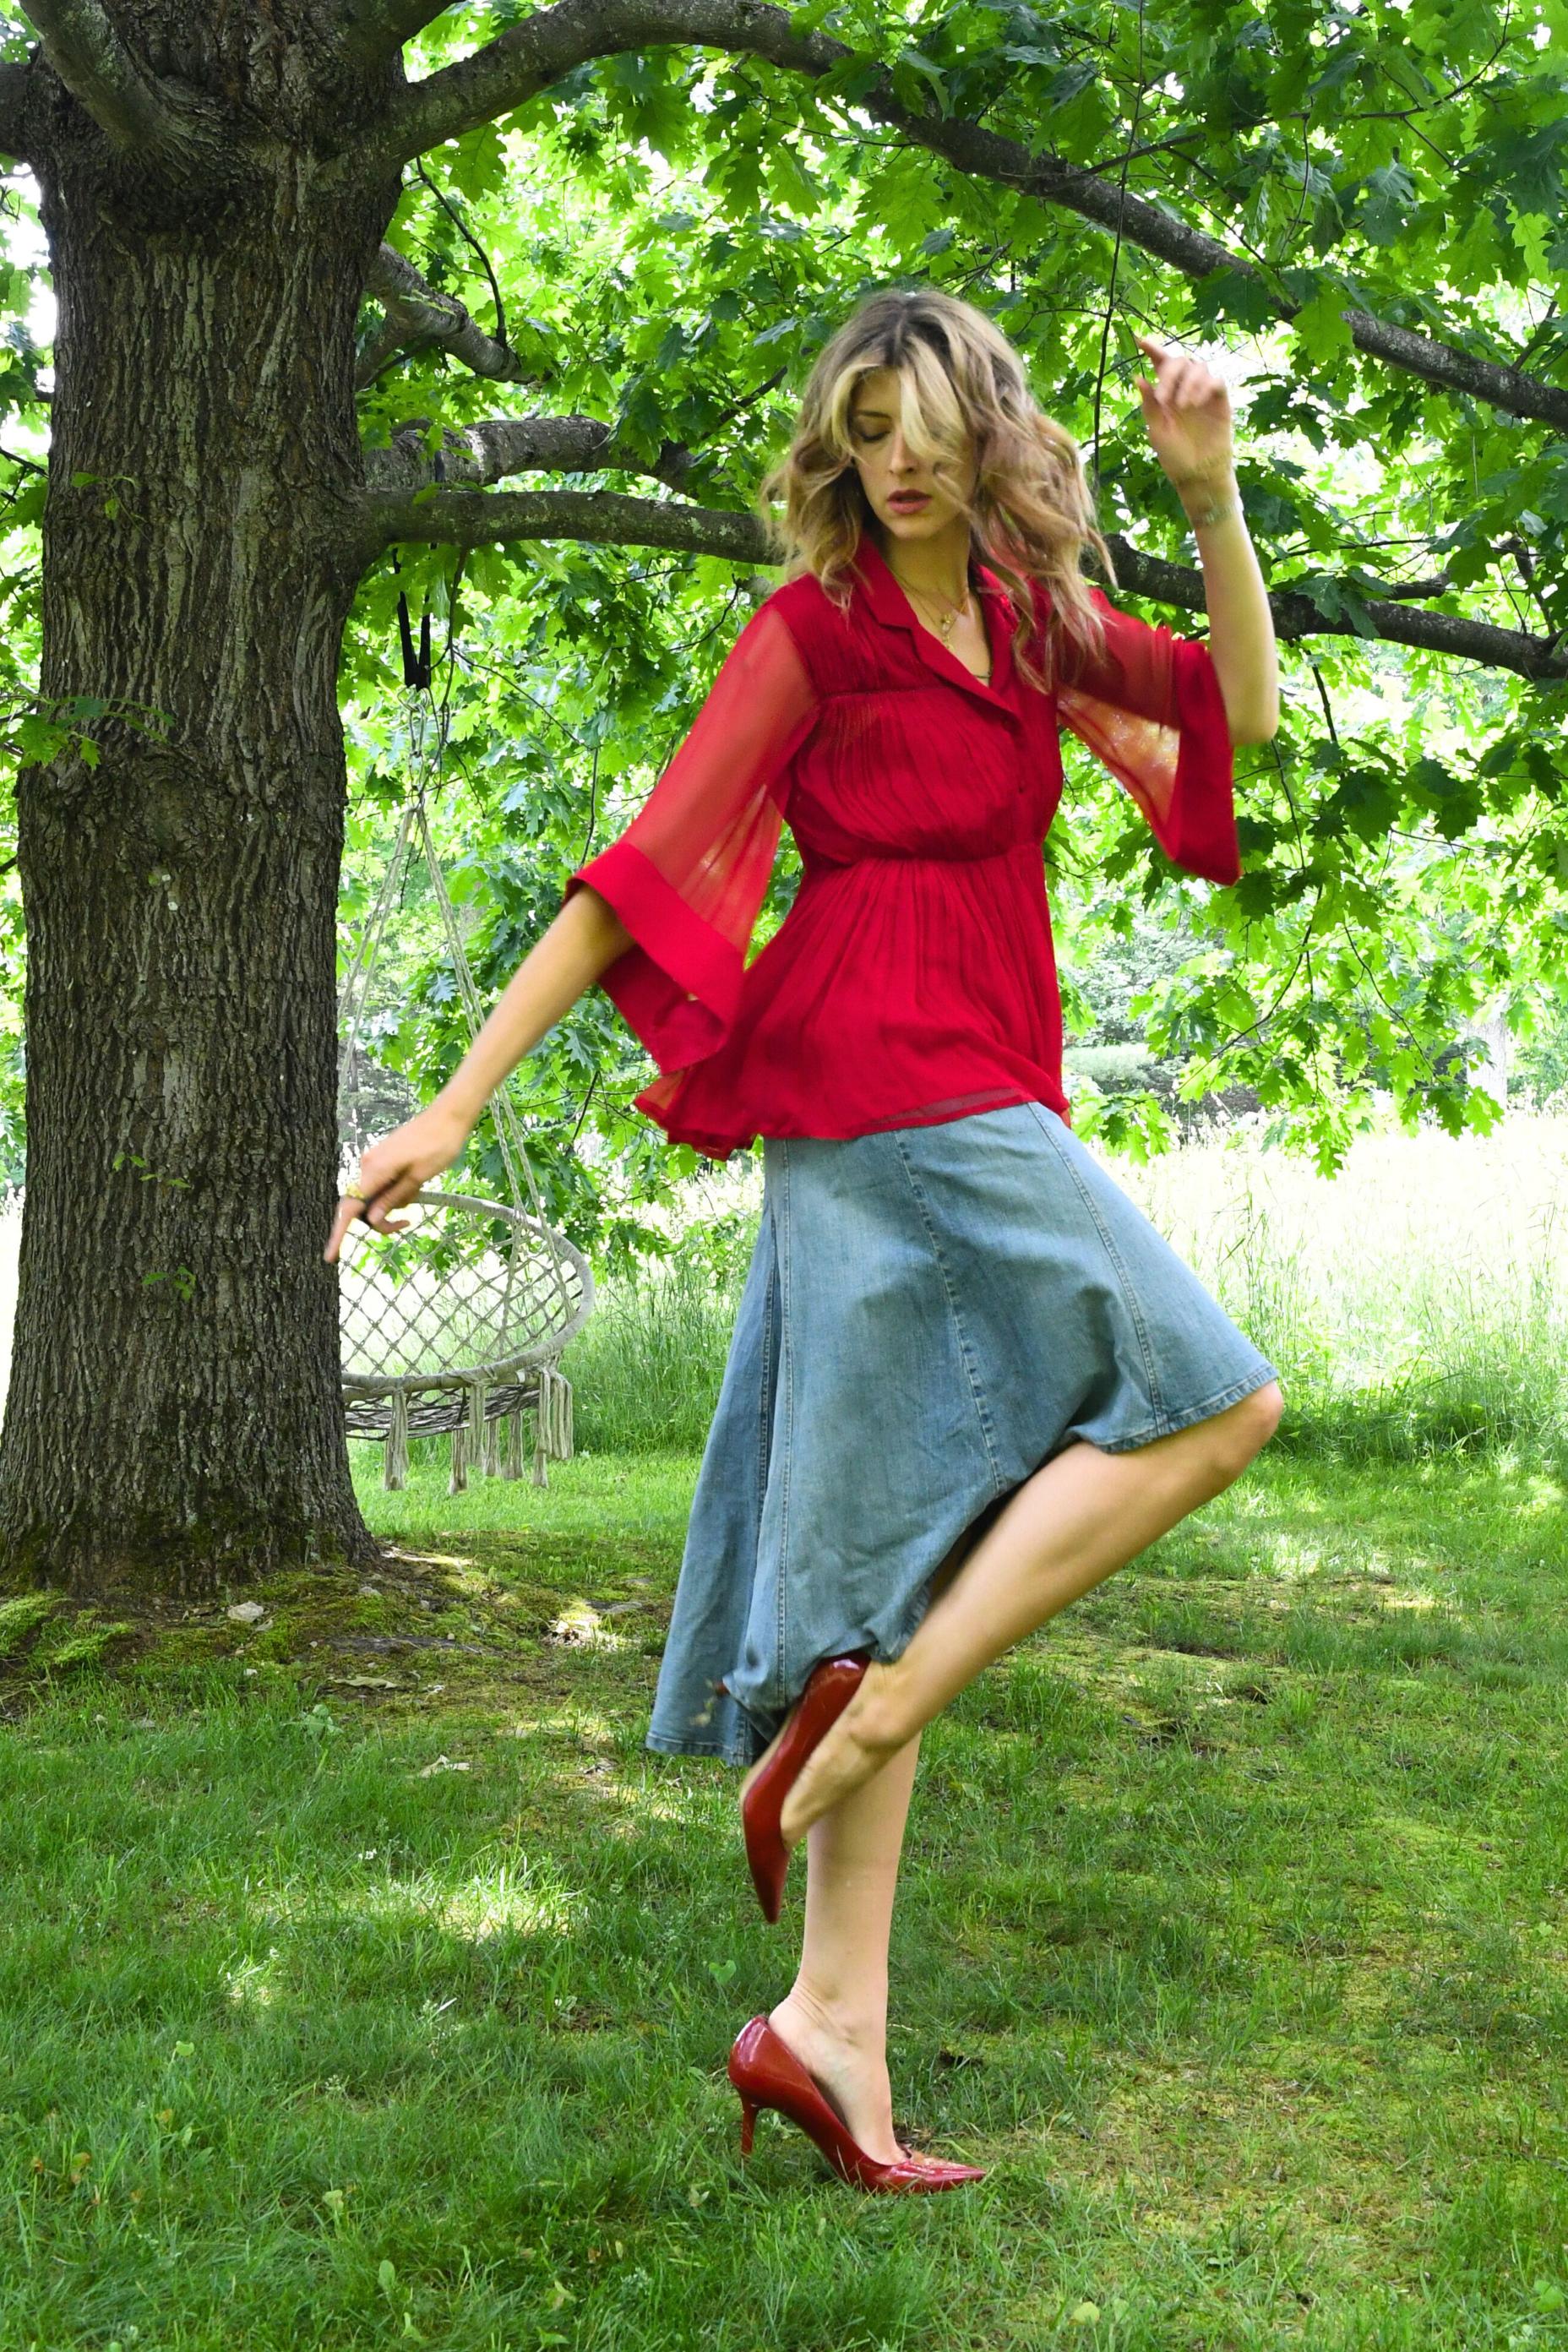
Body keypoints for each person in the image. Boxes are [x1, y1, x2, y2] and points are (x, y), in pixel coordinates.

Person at [324, 286, 1283, 2195]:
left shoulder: (1030, 622)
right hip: (885, 1081)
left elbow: (1235, 715)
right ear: (838, 451)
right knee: (1216, 1400)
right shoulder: (813, 634)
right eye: (864, 429)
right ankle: (870, 1720)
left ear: (983, 427)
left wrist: (1210, 491)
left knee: (886, 1554)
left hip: (964, 1078)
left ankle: (831, 2029)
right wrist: (453, 1105)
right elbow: (635, 880)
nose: (897, 459)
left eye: (923, 421)